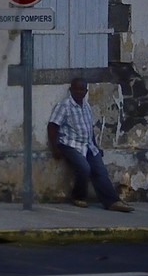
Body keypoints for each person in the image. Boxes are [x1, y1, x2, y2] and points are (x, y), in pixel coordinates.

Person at [47, 77, 133, 212]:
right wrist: (55, 148)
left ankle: (112, 202)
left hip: (87, 145)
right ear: (71, 90)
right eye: (76, 89)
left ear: (86, 91)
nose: (79, 92)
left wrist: (95, 145)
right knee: (84, 168)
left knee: (100, 170)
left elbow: (89, 129)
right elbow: (52, 126)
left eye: (82, 90)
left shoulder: (86, 106)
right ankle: (78, 196)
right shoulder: (64, 106)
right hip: (69, 144)